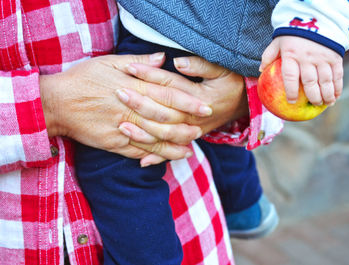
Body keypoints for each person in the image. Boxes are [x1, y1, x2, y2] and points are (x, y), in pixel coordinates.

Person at [74, 0, 349, 264]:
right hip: (197, 24)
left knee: (115, 159)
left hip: (182, 28)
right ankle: (243, 202)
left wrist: (313, 28)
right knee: (197, 112)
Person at [0, 1, 283, 265]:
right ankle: (244, 202)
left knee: (118, 163)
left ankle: (243, 201)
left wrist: (241, 94)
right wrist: (50, 105)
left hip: (189, 216)